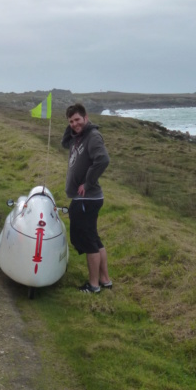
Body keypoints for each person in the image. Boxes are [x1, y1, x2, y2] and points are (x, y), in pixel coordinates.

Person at [62, 103, 112, 293]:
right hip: (83, 199)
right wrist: (72, 129)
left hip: (87, 198)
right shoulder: (78, 137)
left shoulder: (92, 136)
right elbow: (64, 143)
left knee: (89, 241)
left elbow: (103, 160)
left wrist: (88, 183)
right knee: (94, 239)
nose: (74, 124)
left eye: (77, 120)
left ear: (86, 117)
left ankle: (93, 285)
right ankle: (105, 279)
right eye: (71, 121)